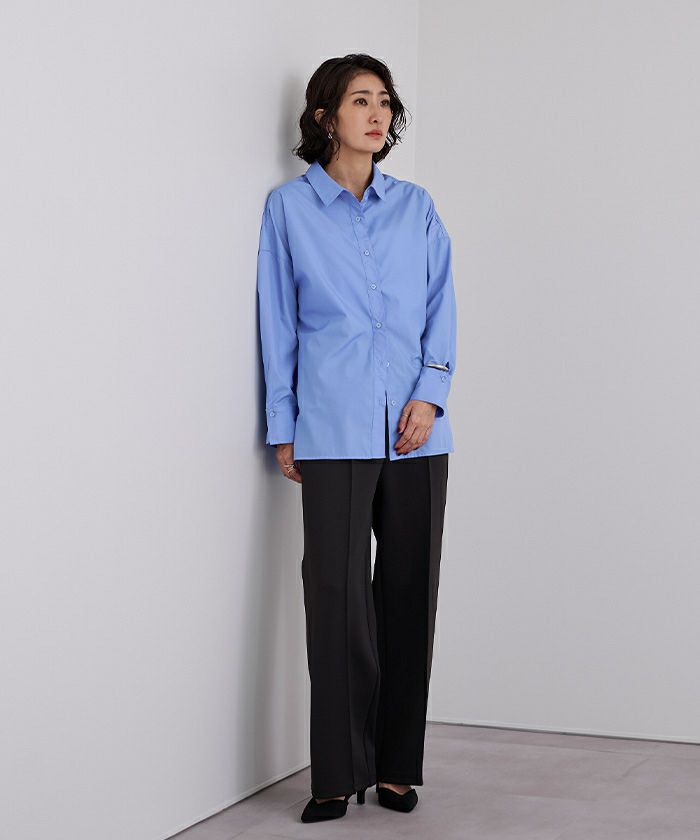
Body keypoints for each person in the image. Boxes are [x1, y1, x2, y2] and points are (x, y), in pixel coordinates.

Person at [256, 54, 457, 824]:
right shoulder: (289, 209)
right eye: (360, 101)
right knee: (335, 599)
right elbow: (278, 321)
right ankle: (337, 774)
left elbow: (441, 304)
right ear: (324, 117)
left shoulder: (417, 207)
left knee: (409, 595)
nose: (377, 115)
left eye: (385, 102)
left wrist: (430, 395)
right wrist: (284, 425)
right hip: (331, 425)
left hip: (415, 432)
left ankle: (398, 768)